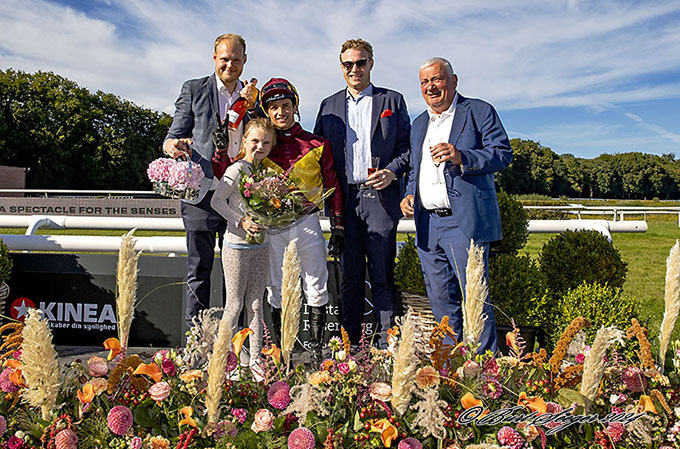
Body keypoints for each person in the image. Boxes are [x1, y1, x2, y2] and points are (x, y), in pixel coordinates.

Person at [400, 57, 512, 353]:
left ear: (453, 81)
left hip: (464, 222)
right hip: (427, 225)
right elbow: (415, 168)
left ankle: (486, 372)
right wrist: (409, 194)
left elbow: (502, 154)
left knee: (475, 298)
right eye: (424, 82)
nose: (430, 87)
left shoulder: (478, 111)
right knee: (441, 302)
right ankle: (450, 366)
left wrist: (462, 156)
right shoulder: (419, 123)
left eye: (436, 79)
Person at [314, 39, 411, 348]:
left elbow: (408, 148)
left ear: (371, 63)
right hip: (344, 200)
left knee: (382, 275)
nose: (354, 69)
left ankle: (386, 345)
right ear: (341, 67)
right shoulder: (328, 106)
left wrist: (393, 170)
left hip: (380, 199)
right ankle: (351, 346)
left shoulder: (392, 101)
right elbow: (316, 155)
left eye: (361, 63)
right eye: (348, 64)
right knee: (351, 277)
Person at [163, 33, 258, 327]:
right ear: (214, 58)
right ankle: (196, 347)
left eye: (236, 60)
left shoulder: (253, 96)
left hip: (240, 197)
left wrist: (254, 107)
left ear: (245, 61)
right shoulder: (193, 89)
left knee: (242, 276)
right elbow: (174, 134)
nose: (230, 65)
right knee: (198, 271)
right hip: (200, 195)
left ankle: (242, 347)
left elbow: (265, 136)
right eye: (224, 59)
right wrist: (170, 146)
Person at [259, 77, 344, 361]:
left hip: (307, 223)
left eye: (286, 105)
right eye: (274, 108)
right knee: (276, 287)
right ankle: (283, 351)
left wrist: (339, 225)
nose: (281, 112)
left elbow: (333, 184)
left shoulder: (318, 144)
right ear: (267, 113)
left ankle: (317, 351)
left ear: (295, 107)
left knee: (316, 285)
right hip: (273, 227)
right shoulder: (261, 148)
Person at [210, 118, 276, 379]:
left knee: (256, 304)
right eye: (255, 141)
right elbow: (217, 201)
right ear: (245, 141)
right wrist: (241, 220)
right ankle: (227, 359)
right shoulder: (236, 169)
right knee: (234, 304)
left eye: (266, 142)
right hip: (236, 246)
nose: (260, 146)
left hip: (260, 246)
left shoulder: (265, 173)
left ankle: (257, 358)